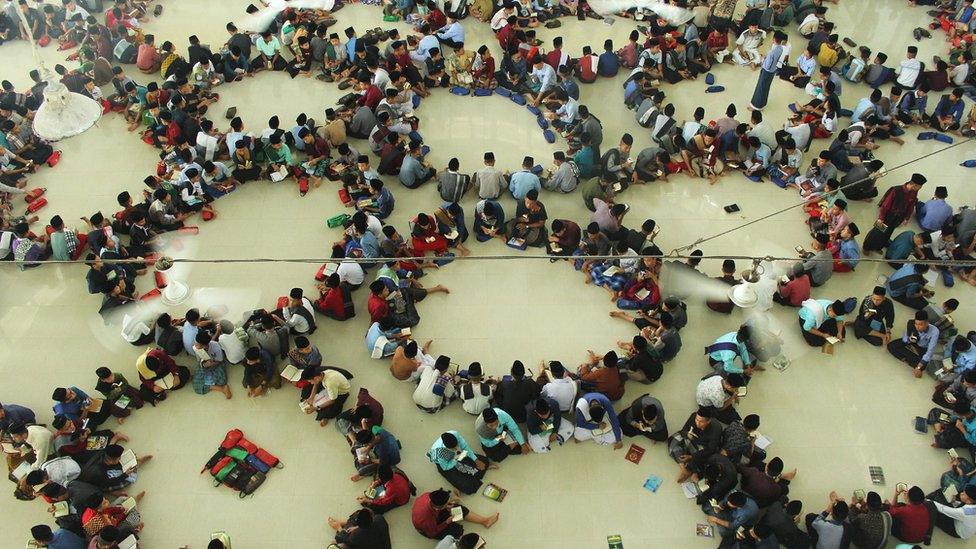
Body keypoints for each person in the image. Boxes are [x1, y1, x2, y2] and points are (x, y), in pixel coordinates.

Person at [411, 488, 499, 540]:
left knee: (457, 508)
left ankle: (485, 521)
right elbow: (432, 533)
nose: (448, 503)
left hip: (434, 513)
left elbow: (440, 505)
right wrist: (447, 522)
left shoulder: (429, 495)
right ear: (439, 507)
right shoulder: (427, 519)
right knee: (457, 530)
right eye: (446, 504)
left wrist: (447, 506)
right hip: (428, 529)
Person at [426, 431, 492, 495]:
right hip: (447, 463)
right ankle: (455, 484)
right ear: (446, 447)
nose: (456, 448)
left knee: (484, 462)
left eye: (457, 445)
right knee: (469, 486)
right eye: (453, 448)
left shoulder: (455, 434)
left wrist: (476, 460)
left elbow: (465, 447)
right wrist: (455, 460)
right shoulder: (440, 453)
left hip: (457, 455)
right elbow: (445, 467)